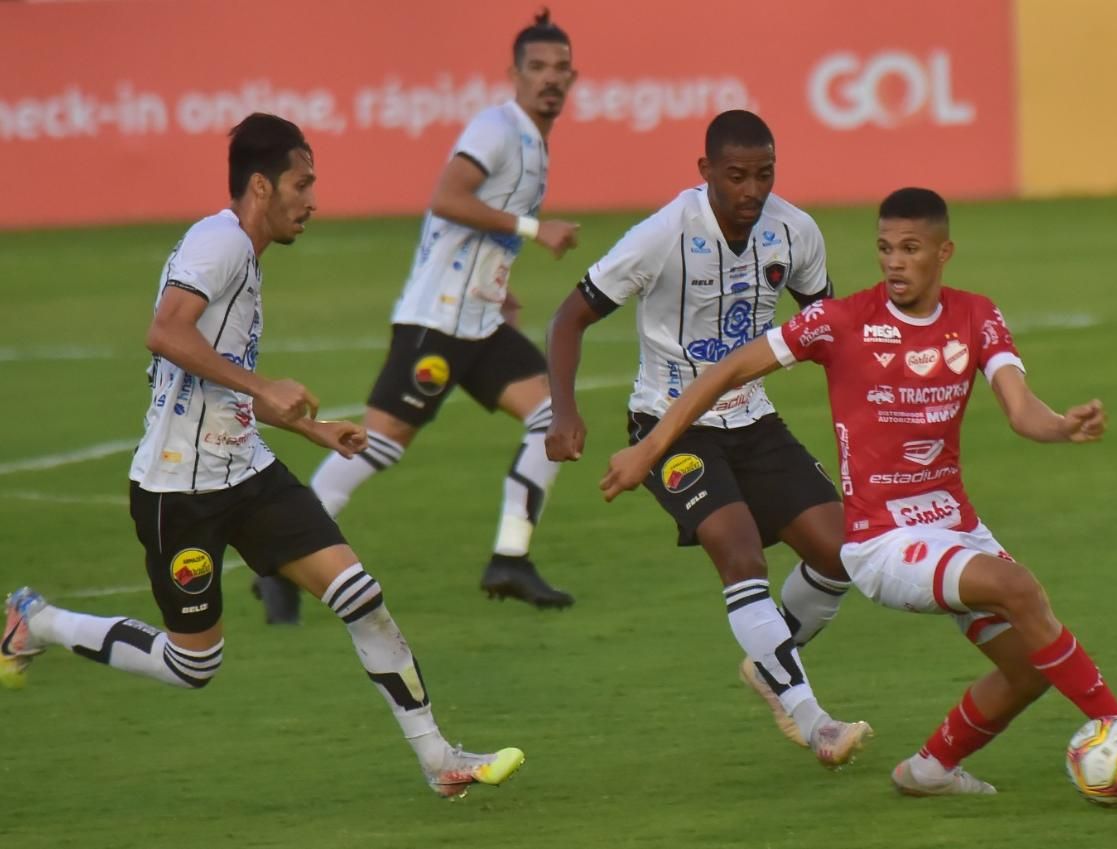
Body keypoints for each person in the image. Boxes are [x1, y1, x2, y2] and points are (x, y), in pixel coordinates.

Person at [600, 187, 1117, 796]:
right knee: (1018, 588)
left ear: (943, 253)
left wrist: (1062, 428)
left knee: (1026, 667)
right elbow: (727, 370)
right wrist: (650, 447)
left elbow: (1021, 410)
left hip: (956, 527)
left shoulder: (976, 315)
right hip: (884, 543)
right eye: (885, 248)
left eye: (911, 249)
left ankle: (929, 769)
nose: (894, 262)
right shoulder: (838, 322)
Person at [0, 113, 524, 801]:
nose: (312, 200)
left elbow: (221, 371)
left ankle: (439, 758)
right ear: (260, 185)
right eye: (302, 184)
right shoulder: (218, 242)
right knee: (194, 664)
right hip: (176, 491)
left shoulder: (243, 256)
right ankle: (35, 619)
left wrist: (310, 429)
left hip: (246, 470)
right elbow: (165, 332)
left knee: (360, 597)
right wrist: (262, 387)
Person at [546, 110, 872, 770]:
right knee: (740, 551)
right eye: (736, 176)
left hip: (753, 418)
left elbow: (825, 330)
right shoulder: (664, 233)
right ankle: (815, 722)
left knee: (844, 554)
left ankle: (768, 663)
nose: (751, 190)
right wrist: (562, 411)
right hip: (668, 426)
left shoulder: (794, 232)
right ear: (704, 172)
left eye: (763, 174)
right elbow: (570, 315)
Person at [252, 10, 581, 622]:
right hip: (438, 322)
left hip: (479, 322)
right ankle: (278, 559)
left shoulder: (533, 143)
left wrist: (500, 284)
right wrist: (538, 230)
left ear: (574, 76)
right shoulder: (497, 128)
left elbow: (471, 226)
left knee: (552, 416)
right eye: (537, 67)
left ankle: (510, 558)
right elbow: (448, 198)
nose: (550, 79)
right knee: (376, 443)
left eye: (561, 68)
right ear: (513, 74)